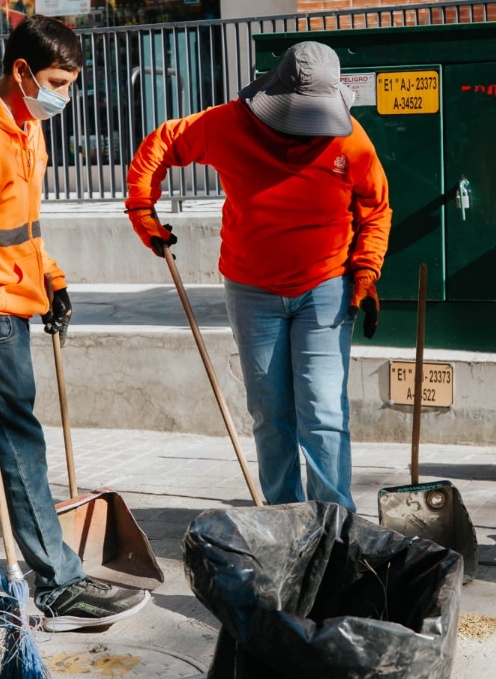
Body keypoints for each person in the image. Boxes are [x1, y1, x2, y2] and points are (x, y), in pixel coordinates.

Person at [0, 15, 149, 631]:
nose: (63, 96)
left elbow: (19, 227)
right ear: (22, 71)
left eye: (70, 84)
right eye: (56, 83)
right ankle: (61, 586)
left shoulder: (25, 128)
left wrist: (51, 278)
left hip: (8, 301)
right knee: (18, 447)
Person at [124, 42, 392, 511]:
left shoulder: (351, 141)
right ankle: (285, 517)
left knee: (324, 411)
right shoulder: (226, 124)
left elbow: (375, 209)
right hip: (252, 291)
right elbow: (161, 143)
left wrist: (366, 270)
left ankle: (334, 520)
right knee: (270, 413)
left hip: (325, 287)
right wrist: (141, 209)